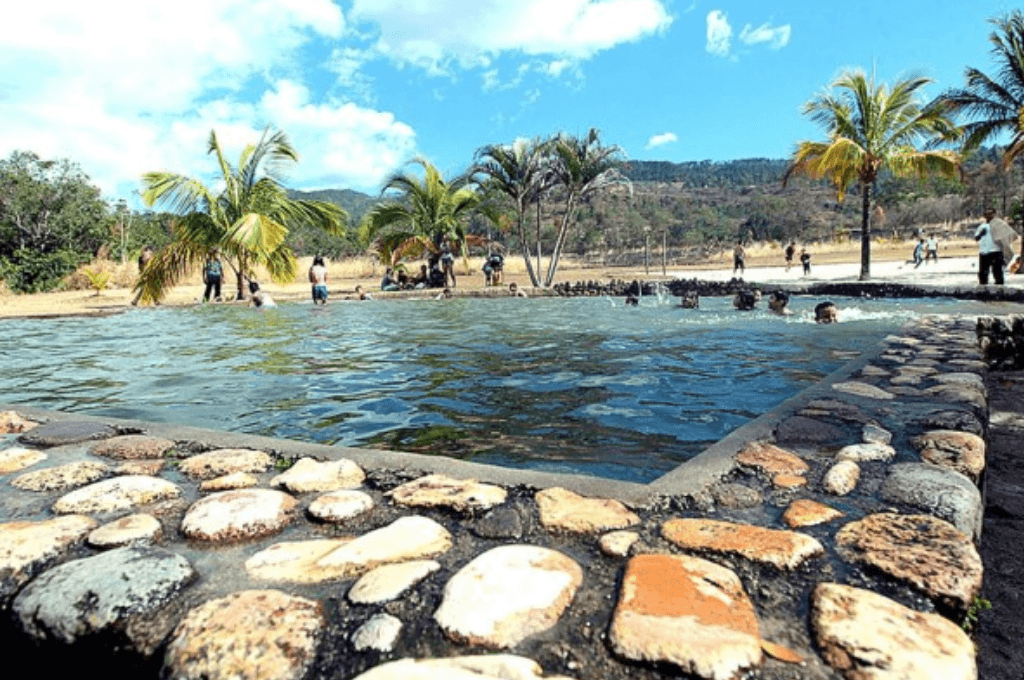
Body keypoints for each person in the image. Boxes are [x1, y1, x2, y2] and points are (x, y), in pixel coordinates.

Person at [975, 208, 1009, 285]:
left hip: (996, 251)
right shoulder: (982, 226)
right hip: (984, 252)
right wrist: (981, 234)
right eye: (988, 214)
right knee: (983, 274)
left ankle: (999, 290)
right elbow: (976, 238)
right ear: (985, 216)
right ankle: (983, 290)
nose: (990, 216)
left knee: (997, 273)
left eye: (991, 214)